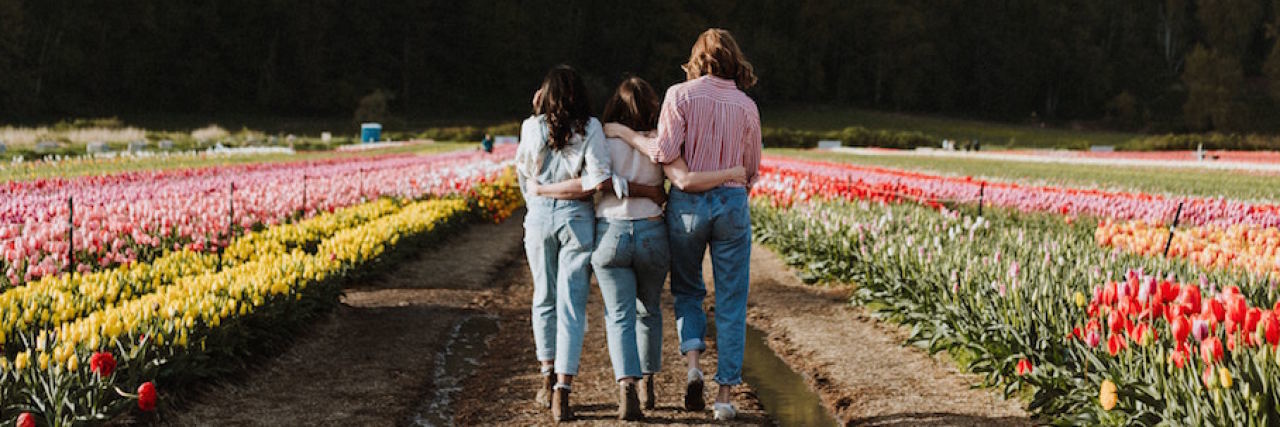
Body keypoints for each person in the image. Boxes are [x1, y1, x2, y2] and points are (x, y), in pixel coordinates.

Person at [605, 28, 762, 421]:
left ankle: (694, 367)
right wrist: (729, 183)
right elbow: (751, 169)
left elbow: (663, 151)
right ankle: (724, 396)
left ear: (697, 59)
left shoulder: (679, 95)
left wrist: (625, 133)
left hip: (687, 206)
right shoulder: (747, 106)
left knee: (689, 290)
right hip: (731, 203)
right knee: (731, 301)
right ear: (734, 59)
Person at [515, 65, 607, 422]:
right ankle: (563, 391)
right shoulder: (591, 127)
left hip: (539, 217)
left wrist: (540, 195)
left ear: (544, 96)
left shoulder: (531, 127)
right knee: (572, 305)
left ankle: (546, 374)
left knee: (543, 297)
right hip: (577, 219)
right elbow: (597, 180)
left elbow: (525, 176)